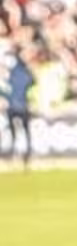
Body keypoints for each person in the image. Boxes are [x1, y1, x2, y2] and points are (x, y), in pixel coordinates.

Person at [3, 35, 32, 169]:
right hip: (20, 105)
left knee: (17, 132)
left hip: (16, 105)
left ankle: (18, 153)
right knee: (24, 132)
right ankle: (25, 154)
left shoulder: (14, 72)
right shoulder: (23, 72)